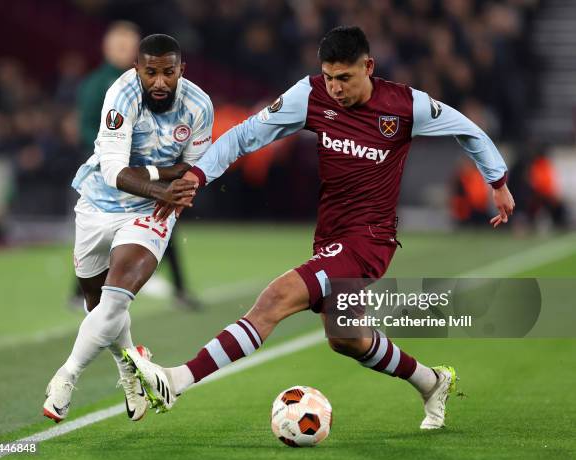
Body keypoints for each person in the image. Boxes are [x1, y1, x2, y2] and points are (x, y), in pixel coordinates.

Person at [126, 26, 514, 430]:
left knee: (276, 298)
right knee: (346, 338)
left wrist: (498, 182)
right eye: (328, 77)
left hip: (369, 239)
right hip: (330, 237)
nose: (335, 88)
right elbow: (243, 136)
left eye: (344, 78)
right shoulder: (310, 95)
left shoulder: (405, 105)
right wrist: (198, 175)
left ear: (369, 67)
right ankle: (432, 382)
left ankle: (176, 380)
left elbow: (467, 130)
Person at [42, 34, 213, 423]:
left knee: (116, 299)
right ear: (137, 69)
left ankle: (66, 377)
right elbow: (114, 171)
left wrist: (167, 192)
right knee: (97, 305)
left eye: (168, 72)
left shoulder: (199, 105)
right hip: (98, 204)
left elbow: (194, 170)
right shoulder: (120, 95)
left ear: (181, 71)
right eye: (150, 72)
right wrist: (162, 181)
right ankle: (130, 370)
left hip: (150, 213)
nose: (158, 81)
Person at [72, 21, 201, 311]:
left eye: (128, 43)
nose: (123, 49)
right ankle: (81, 292)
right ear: (107, 48)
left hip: (146, 169)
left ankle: (179, 288)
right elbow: (84, 126)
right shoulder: (99, 84)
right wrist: (110, 149)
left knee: (163, 220)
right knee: (95, 232)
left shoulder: (151, 84)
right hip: (109, 169)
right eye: (118, 44)